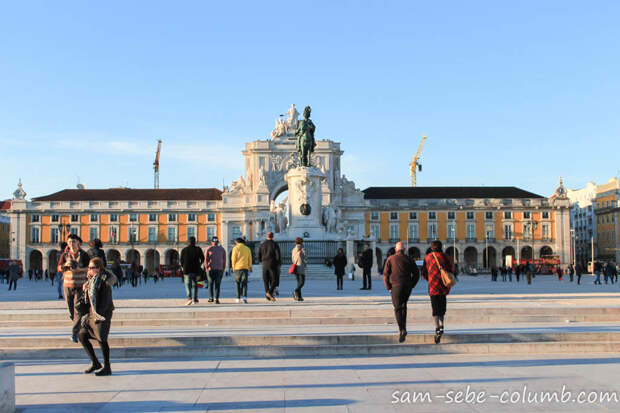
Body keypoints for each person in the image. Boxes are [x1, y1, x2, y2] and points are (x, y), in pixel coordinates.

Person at [78, 257, 116, 376]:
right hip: (91, 313)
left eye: (92, 268)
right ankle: (95, 362)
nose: (89, 270)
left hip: (102, 313)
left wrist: (99, 315)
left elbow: (105, 300)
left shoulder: (104, 281)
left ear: (99, 269)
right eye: (89, 268)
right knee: (82, 336)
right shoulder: (90, 281)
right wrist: (84, 290)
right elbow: (86, 300)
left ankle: (107, 367)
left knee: (101, 339)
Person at [383, 242, 419, 343]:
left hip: (395, 286)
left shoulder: (390, 259)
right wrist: (412, 285)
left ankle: (402, 329)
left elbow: (385, 275)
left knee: (398, 308)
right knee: (404, 306)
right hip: (407, 286)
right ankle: (404, 328)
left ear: (396, 249)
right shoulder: (409, 259)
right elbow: (416, 274)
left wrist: (388, 287)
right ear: (404, 250)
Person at [59, 234, 91, 343]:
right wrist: (65, 265)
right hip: (67, 285)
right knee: (71, 310)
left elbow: (89, 268)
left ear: (78, 243)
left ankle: (74, 333)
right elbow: (59, 268)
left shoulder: (84, 255)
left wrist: (79, 269)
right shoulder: (65, 255)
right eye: (69, 242)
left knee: (77, 309)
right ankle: (80, 325)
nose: (71, 243)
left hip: (80, 285)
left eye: (73, 241)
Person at [422, 240, 454, 344]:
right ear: (441, 247)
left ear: (432, 248)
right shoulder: (445, 256)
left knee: (435, 307)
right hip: (443, 285)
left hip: (433, 286)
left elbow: (424, 272)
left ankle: (437, 328)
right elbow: (451, 269)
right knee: (442, 306)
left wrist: (430, 279)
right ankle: (441, 324)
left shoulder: (428, 257)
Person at [180, 236, 205, 305]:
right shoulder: (198, 249)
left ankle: (189, 298)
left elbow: (181, 260)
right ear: (195, 242)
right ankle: (195, 299)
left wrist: (182, 267)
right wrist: (200, 264)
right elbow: (203, 258)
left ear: (188, 242)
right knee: (195, 284)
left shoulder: (184, 249)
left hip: (187, 269)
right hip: (196, 269)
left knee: (187, 284)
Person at [258, 232, 281, 301]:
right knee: (274, 280)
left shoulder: (262, 244)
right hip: (272, 264)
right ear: (273, 237)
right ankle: (270, 292)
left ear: (266, 236)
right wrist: (278, 263)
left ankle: (268, 296)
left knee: (266, 281)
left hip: (264, 264)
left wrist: (261, 261)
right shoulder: (275, 244)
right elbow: (278, 255)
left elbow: (259, 254)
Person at [204, 236, 226, 304]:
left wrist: (206, 267)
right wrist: (223, 268)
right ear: (218, 242)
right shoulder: (222, 249)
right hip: (219, 269)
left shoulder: (208, 248)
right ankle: (217, 299)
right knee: (218, 284)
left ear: (211, 242)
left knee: (210, 284)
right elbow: (224, 259)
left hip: (210, 269)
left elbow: (205, 259)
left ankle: (211, 298)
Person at [231, 238, 252, 303]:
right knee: (244, 283)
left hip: (237, 268)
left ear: (237, 242)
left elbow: (233, 258)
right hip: (245, 268)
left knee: (237, 283)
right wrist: (249, 267)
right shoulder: (247, 248)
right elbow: (250, 259)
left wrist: (233, 267)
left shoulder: (235, 248)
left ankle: (238, 298)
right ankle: (244, 297)